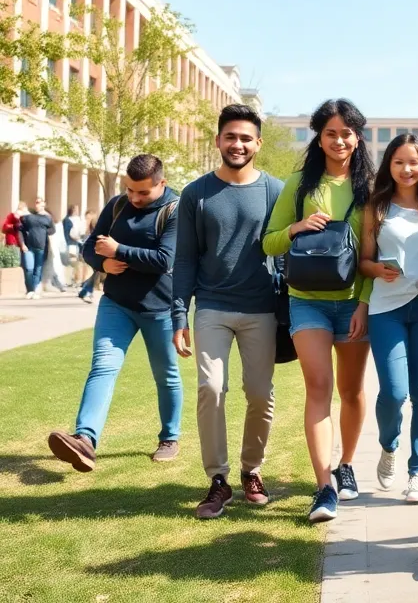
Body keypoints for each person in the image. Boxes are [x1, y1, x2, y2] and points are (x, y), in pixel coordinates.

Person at [263, 98, 375, 523]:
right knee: (319, 388)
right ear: (319, 137)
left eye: (346, 133)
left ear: (357, 137)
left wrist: (364, 302)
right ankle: (324, 486)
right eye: (331, 133)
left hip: (353, 304)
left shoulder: (370, 188)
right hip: (306, 301)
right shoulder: (299, 184)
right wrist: (296, 228)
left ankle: (346, 464)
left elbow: (373, 253)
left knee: (352, 390)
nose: (339, 141)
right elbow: (269, 241)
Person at [172, 104, 285, 519]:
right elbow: (185, 259)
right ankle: (218, 480)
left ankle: (251, 470)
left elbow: (284, 249)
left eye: (246, 138)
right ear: (218, 140)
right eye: (231, 137)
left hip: (261, 308)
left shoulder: (275, 190)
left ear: (258, 143)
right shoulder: (195, 193)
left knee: (259, 393)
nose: (238, 144)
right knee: (210, 387)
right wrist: (179, 315)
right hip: (212, 306)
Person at [46, 154, 182, 471]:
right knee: (103, 367)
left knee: (166, 375)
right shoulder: (118, 204)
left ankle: (169, 437)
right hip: (116, 304)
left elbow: (164, 260)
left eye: (142, 192)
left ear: (161, 183)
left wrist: (119, 251)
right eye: (129, 189)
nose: (134, 198)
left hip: (160, 309)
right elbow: (90, 246)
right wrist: (103, 263)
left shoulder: (176, 210)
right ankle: (85, 439)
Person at [361, 134, 418, 503]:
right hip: (386, 309)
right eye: (399, 162)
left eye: (414, 162)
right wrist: (377, 269)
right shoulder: (376, 207)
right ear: (389, 165)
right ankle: (388, 444)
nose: (407, 169)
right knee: (394, 393)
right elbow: (363, 261)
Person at [18, 198, 55, 299]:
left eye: (39, 202)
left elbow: (52, 230)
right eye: (36, 202)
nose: (37, 204)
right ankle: (30, 290)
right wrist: (22, 244)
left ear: (44, 204)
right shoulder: (28, 217)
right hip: (29, 247)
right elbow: (20, 230)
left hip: (41, 247)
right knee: (29, 269)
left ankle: (34, 290)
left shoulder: (47, 218)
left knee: (38, 269)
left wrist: (44, 232)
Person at [78, 210, 99, 303]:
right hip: (93, 254)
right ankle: (87, 291)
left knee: (96, 274)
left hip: (93, 254)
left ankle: (85, 291)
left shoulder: (92, 230)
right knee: (96, 274)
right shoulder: (92, 231)